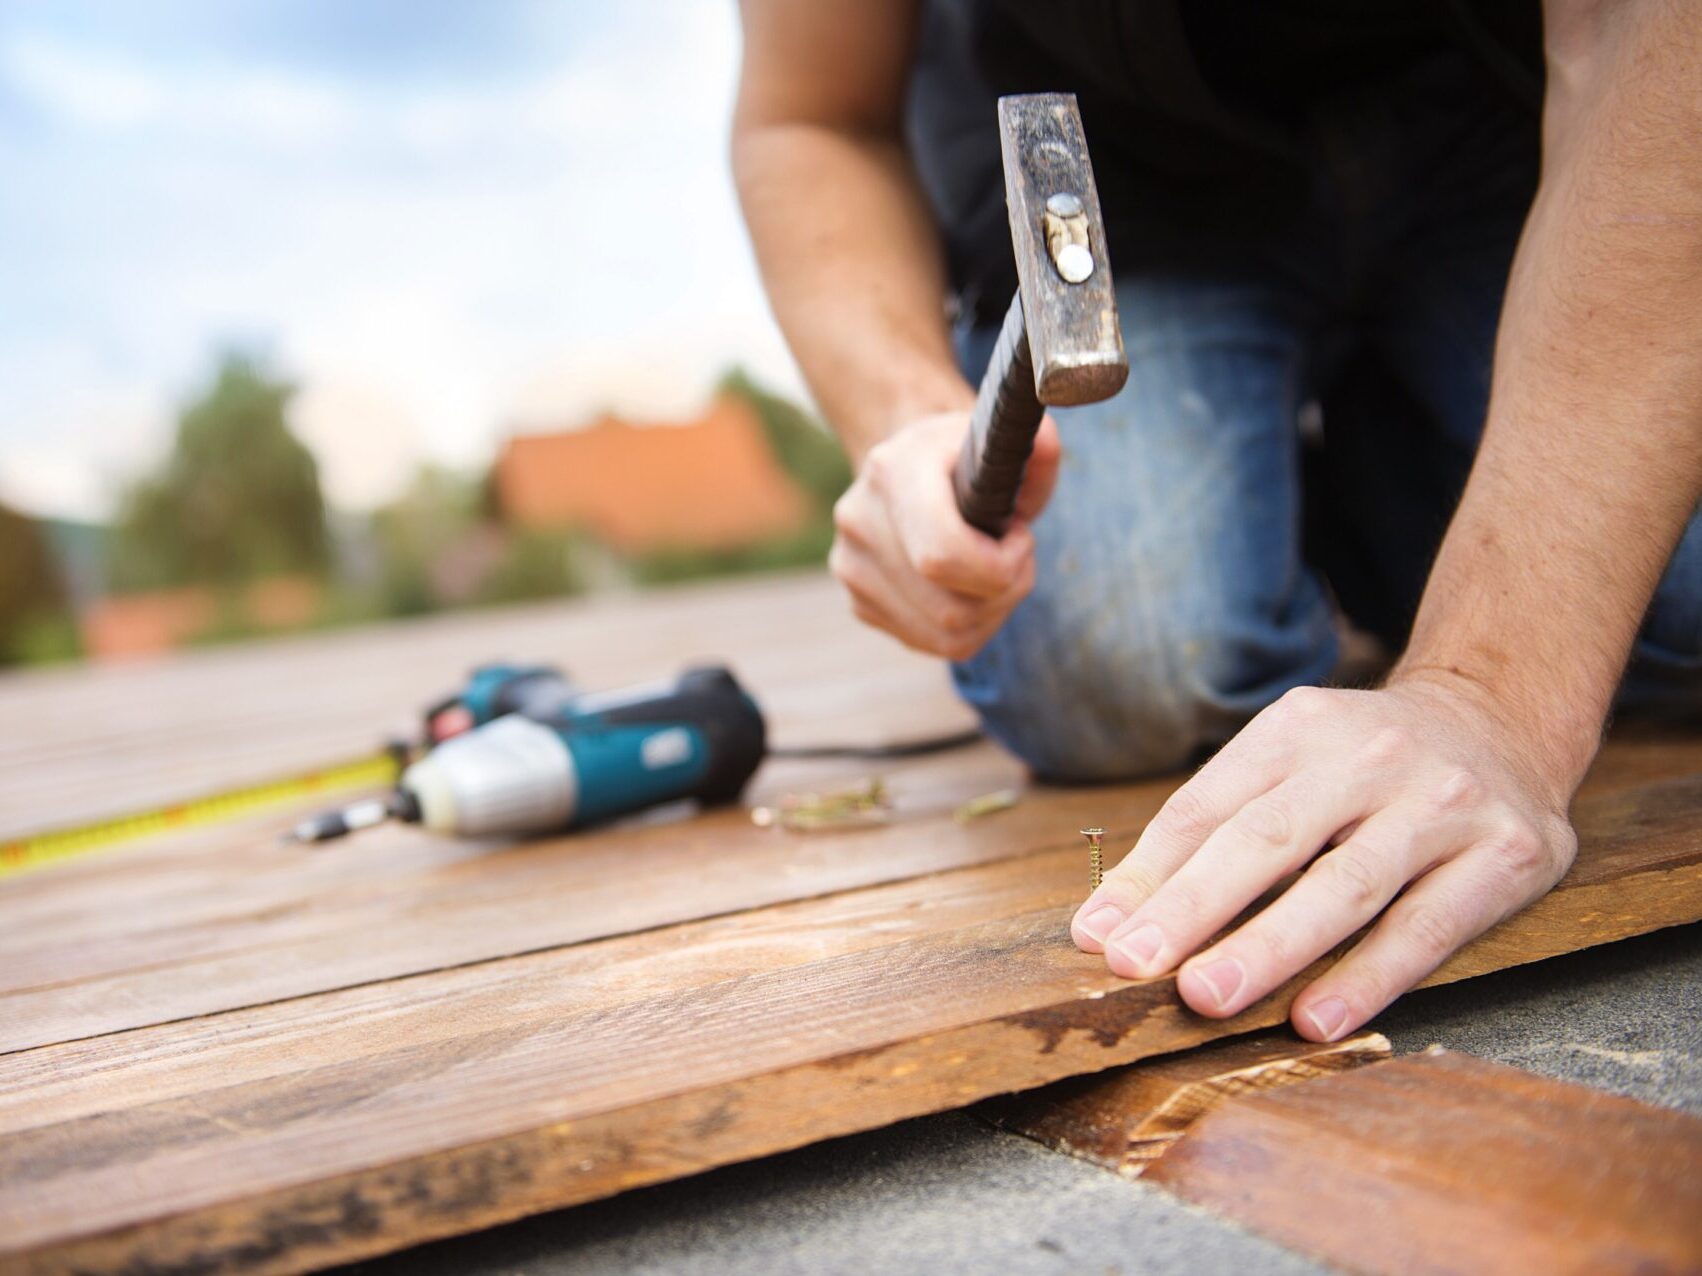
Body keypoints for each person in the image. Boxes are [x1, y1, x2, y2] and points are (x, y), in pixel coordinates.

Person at [731, 0, 1702, 1043]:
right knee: (1126, 662)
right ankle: (1345, 487)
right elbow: (811, 117)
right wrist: (910, 416)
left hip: (1515, 129)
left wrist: (1495, 695)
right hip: (1139, 185)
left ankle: (1378, 471)